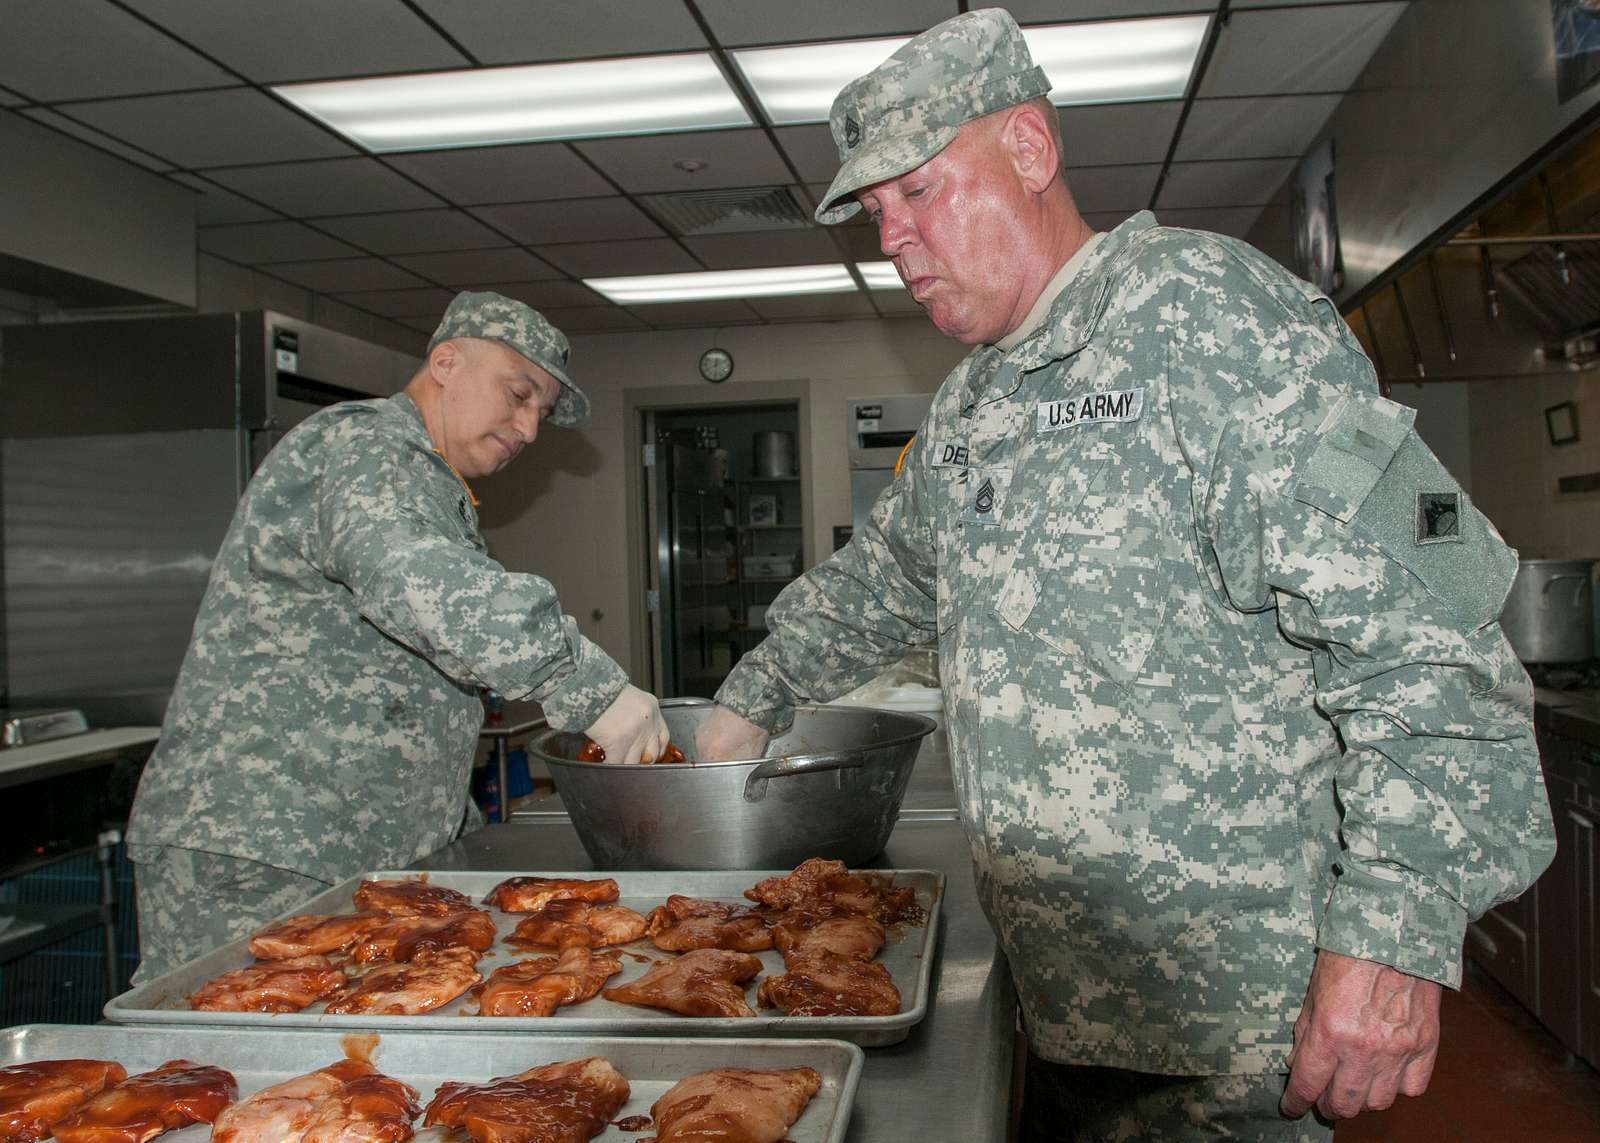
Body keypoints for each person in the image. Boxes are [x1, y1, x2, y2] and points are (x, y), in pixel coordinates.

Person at [695, 10, 1555, 1139]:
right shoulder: (974, 407)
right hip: (1066, 1007)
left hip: (1228, 1026)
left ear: (1029, 150)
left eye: (919, 191)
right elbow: (885, 584)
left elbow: (1433, 625)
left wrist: (1391, 937)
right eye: (874, 214)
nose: (894, 238)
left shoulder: (1218, 321)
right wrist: (746, 700)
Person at [126, 291, 668, 981]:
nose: (530, 427)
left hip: (346, 847)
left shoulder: (428, 482)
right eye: (519, 392)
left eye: (543, 411)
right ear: (446, 362)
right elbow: (416, 577)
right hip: (265, 848)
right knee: (223, 1065)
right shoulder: (366, 444)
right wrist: (585, 683)